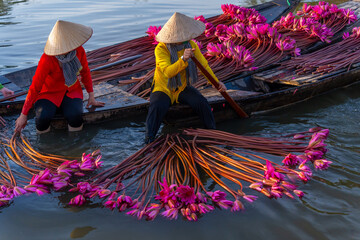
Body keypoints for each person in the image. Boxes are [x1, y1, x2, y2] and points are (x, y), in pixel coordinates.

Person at [145, 12, 226, 143]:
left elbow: (204, 65)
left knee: (202, 103)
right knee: (156, 107)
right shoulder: (161, 49)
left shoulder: (191, 45)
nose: (184, 39)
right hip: (164, 88)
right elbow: (167, 72)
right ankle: (149, 141)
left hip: (181, 87)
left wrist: (216, 82)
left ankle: (212, 133)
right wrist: (183, 59)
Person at [15, 20, 104, 133]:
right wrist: (23, 114)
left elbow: (85, 72)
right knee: (42, 119)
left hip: (71, 91)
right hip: (48, 94)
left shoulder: (79, 51)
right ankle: (45, 147)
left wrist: (91, 96)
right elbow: (35, 87)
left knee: (75, 117)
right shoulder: (47, 59)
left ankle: (74, 147)